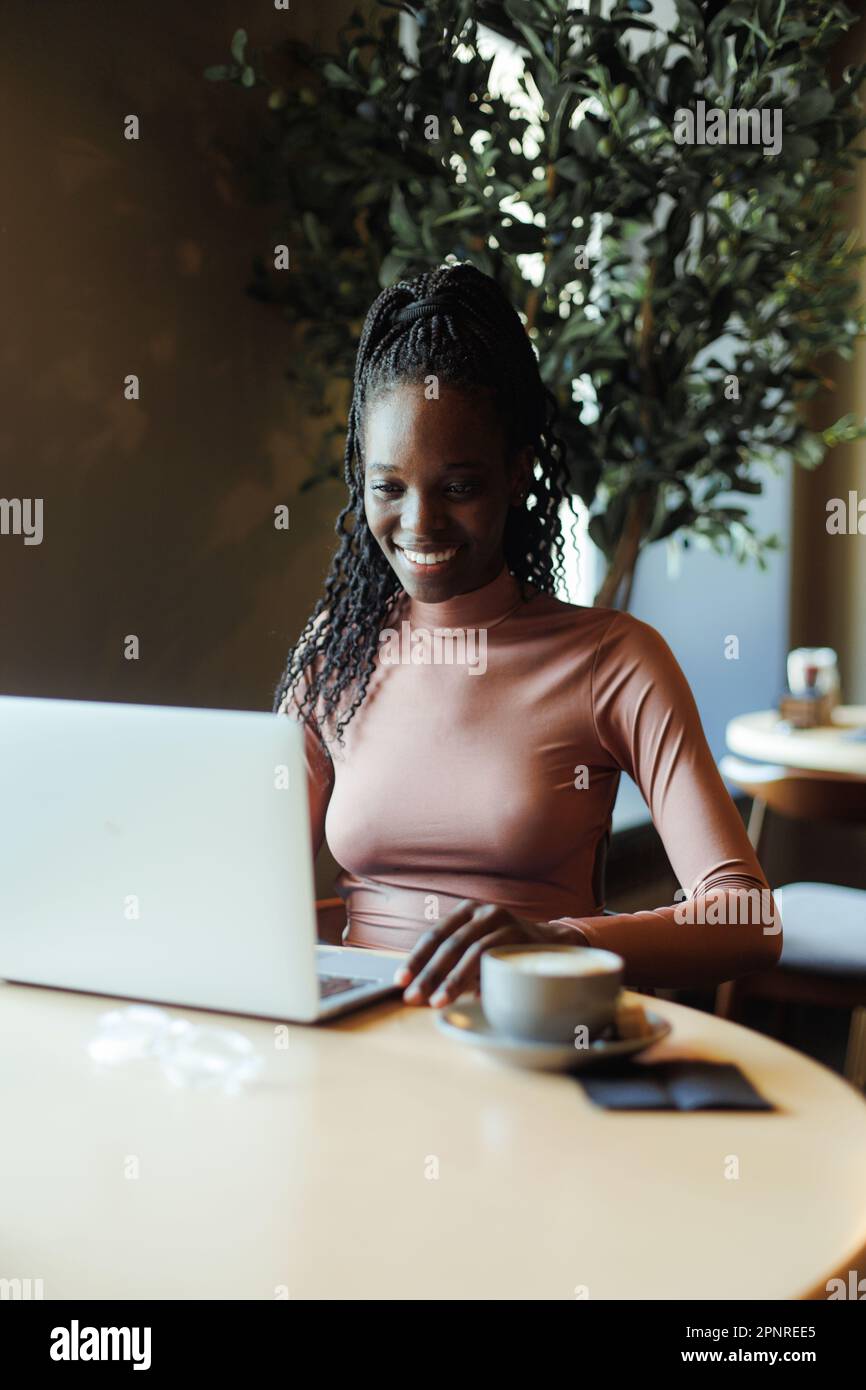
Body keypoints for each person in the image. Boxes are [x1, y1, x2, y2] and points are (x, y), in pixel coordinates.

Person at [274, 262, 782, 1008]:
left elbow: (749, 918)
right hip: (361, 1045)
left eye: (458, 487)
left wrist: (559, 945)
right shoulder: (337, 652)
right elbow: (244, 877)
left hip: (528, 1046)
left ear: (518, 473)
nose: (419, 525)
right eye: (388, 487)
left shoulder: (614, 660)